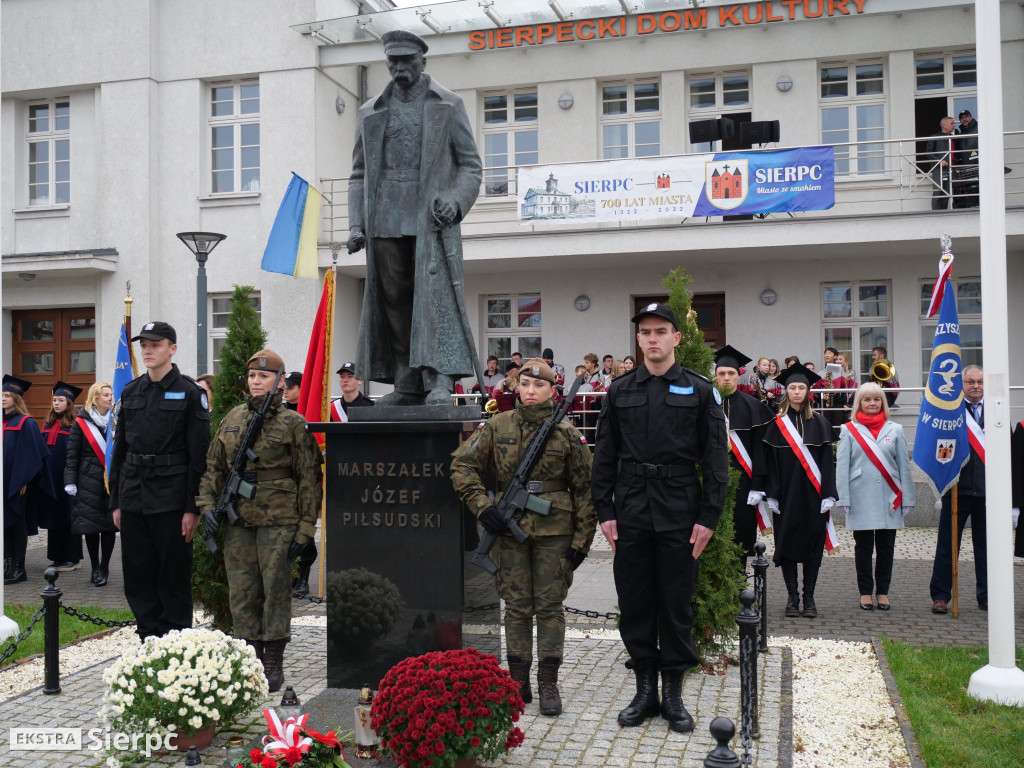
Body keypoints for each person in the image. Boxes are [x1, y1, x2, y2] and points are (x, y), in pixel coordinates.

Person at [592, 303, 728, 734]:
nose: (653, 338)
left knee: (675, 603)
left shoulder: (701, 390)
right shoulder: (619, 390)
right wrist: (605, 511)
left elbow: (716, 460)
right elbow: (605, 456)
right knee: (635, 602)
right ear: (638, 339)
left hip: (680, 511)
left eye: (661, 331)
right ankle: (644, 689)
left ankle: (672, 693)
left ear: (677, 338)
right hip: (631, 509)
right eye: (645, 332)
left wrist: (709, 517)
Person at [451, 358, 596, 716]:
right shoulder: (497, 425)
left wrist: (582, 541)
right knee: (515, 608)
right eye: (525, 385)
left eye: (539, 386)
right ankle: (517, 682)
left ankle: (548, 681)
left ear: (552, 390)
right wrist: (484, 508)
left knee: (548, 607)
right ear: (517, 387)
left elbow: (587, 489)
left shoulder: (565, 432)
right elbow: (462, 466)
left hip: (555, 532)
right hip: (507, 531)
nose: (531, 392)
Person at [346, 30, 482, 406]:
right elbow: (358, 174)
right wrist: (356, 224)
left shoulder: (447, 104)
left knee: (432, 299)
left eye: (407, 61)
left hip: (430, 221)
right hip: (385, 219)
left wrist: (455, 202)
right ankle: (406, 381)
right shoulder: (370, 111)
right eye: (393, 62)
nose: (400, 68)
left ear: (423, 61)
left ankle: (439, 380)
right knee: (394, 301)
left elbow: (470, 166)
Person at [198, 349, 322, 692]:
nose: (256, 381)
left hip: (279, 523)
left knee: (275, 591)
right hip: (239, 525)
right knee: (242, 593)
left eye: (264, 377)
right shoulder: (232, 418)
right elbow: (214, 468)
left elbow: (310, 479)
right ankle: (249, 657)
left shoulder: (293, 424)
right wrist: (207, 507)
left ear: (280, 382)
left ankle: (272, 661)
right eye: (252, 376)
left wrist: (306, 528)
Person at [108, 321, 211, 639]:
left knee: (172, 577)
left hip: (171, 500)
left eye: (156, 344)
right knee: (137, 575)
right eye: (144, 345)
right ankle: (148, 639)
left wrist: (192, 508)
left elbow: (199, 458)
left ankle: (176, 644)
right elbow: (120, 450)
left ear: (172, 349)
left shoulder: (191, 392)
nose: (148, 350)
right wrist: (116, 502)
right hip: (135, 497)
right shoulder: (131, 391)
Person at [762, 363, 837, 619]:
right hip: (785, 496)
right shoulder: (776, 425)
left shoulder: (821, 423)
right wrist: (770, 493)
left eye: (801, 388)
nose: (796, 392)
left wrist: (829, 493)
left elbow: (828, 461)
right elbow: (770, 463)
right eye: (792, 387)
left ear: (808, 391)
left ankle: (810, 597)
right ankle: (792, 597)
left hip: (813, 495)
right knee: (788, 543)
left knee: (813, 545)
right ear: (786, 391)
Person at [835, 383, 914, 611]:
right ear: (859, 402)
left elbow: (903, 467)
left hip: (890, 497)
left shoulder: (895, 429)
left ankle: (883, 592)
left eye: (877, 399)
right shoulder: (849, 429)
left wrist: (907, 498)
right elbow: (842, 466)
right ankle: (865, 592)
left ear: (883, 403)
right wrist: (844, 498)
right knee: (863, 547)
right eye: (867, 399)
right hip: (860, 496)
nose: (872, 403)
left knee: (886, 548)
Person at [929, 365, 987, 613]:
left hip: (988, 492)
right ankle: (941, 596)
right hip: (957, 489)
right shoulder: (950, 413)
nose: (976, 386)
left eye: (980, 382)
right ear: (961, 384)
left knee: (986, 547)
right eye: (971, 381)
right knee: (947, 546)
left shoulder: (996, 412)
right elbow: (940, 449)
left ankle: (986, 595)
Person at [715, 345, 774, 570]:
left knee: (740, 540)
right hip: (713, 480)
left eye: (731, 373)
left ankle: (739, 589)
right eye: (722, 374)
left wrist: (758, 486)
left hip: (743, 482)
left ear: (738, 375)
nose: (726, 378)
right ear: (716, 375)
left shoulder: (753, 406)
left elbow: (760, 450)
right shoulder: (705, 404)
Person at [65, 381, 118, 587]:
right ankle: (94, 566)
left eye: (111, 395)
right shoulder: (81, 422)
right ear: (95, 398)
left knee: (108, 527)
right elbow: (72, 454)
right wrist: (70, 481)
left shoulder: (116, 420)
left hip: (110, 481)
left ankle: (104, 567)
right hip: (88, 481)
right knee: (90, 527)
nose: (109, 398)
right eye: (105, 395)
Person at [3, 375, 53, 585]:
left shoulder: (26, 423)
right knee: (3, 524)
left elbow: (32, 456)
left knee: (16, 522)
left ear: (16, 398)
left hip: (17, 483)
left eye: (7, 395)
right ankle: (7, 563)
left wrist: (23, 480)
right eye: (1, 394)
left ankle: (18, 567)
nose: (2, 398)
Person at [38, 381, 83, 572]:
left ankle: (72, 558)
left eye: (61, 400)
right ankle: (57, 556)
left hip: (68, 479)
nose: (56, 403)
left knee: (69, 517)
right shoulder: (47, 424)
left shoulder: (76, 425)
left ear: (69, 403)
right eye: (54, 399)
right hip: (50, 478)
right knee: (54, 516)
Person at [925, 116, 956, 210]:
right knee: (938, 191)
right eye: (952, 123)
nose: (954, 125)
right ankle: (936, 213)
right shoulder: (935, 137)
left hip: (953, 168)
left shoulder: (954, 137)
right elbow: (928, 153)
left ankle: (946, 212)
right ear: (944, 125)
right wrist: (939, 161)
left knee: (949, 190)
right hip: (939, 169)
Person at [816, 347, 848, 435]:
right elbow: (816, 390)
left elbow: (844, 388)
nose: (826, 355)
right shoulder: (820, 373)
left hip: (838, 401)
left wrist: (845, 403)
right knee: (826, 425)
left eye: (829, 353)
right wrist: (822, 396)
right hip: (825, 402)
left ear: (835, 357)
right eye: (825, 353)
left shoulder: (841, 370)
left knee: (837, 425)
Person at [954, 109, 979, 209]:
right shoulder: (960, 134)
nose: (964, 119)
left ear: (971, 117)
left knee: (979, 192)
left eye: (966, 116)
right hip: (965, 169)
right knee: (968, 194)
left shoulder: (979, 128)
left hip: (977, 167)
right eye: (962, 118)